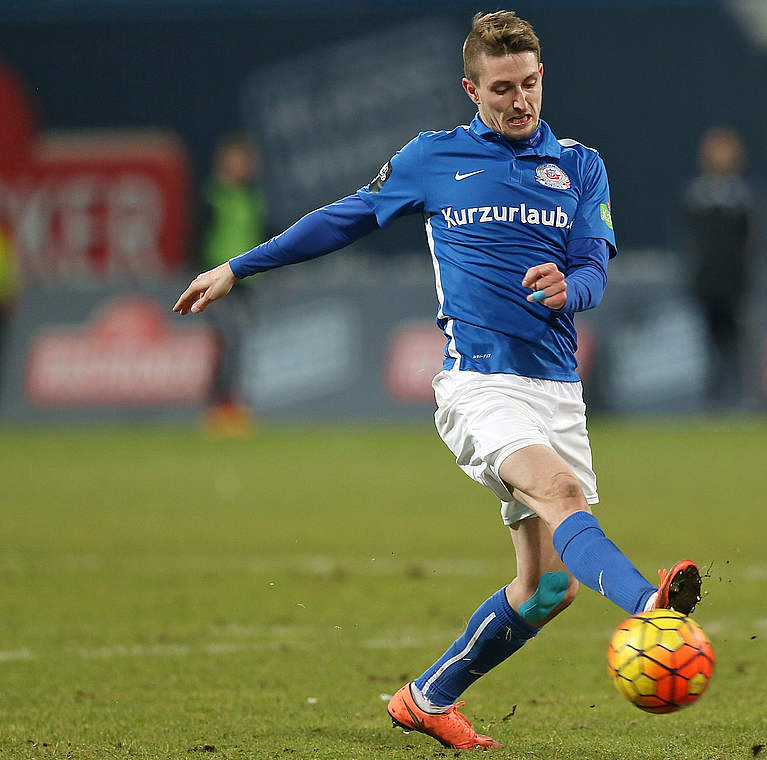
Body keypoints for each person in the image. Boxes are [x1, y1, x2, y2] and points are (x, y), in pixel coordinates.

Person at [172, 11, 701, 751]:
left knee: (549, 588)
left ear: (543, 76)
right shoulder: (432, 158)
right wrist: (237, 266)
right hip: (479, 386)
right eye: (501, 90)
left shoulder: (581, 165)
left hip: (554, 389)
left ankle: (426, 697)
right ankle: (650, 604)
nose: (519, 103)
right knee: (561, 495)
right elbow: (343, 219)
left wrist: (568, 290)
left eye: (528, 85)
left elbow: (593, 269)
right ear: (471, 88)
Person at [682, 126, 758, 409]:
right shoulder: (697, 197)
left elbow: (754, 248)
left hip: (737, 286)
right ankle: (712, 401)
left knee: (739, 345)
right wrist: (695, 281)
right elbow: (691, 246)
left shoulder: (745, 199)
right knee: (707, 345)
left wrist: (749, 284)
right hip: (706, 286)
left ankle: (744, 401)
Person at [199, 134, 267, 434]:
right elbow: (197, 236)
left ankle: (228, 405)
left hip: (246, 283)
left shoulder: (253, 198)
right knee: (227, 341)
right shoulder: (213, 196)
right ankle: (218, 406)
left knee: (237, 344)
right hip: (217, 281)